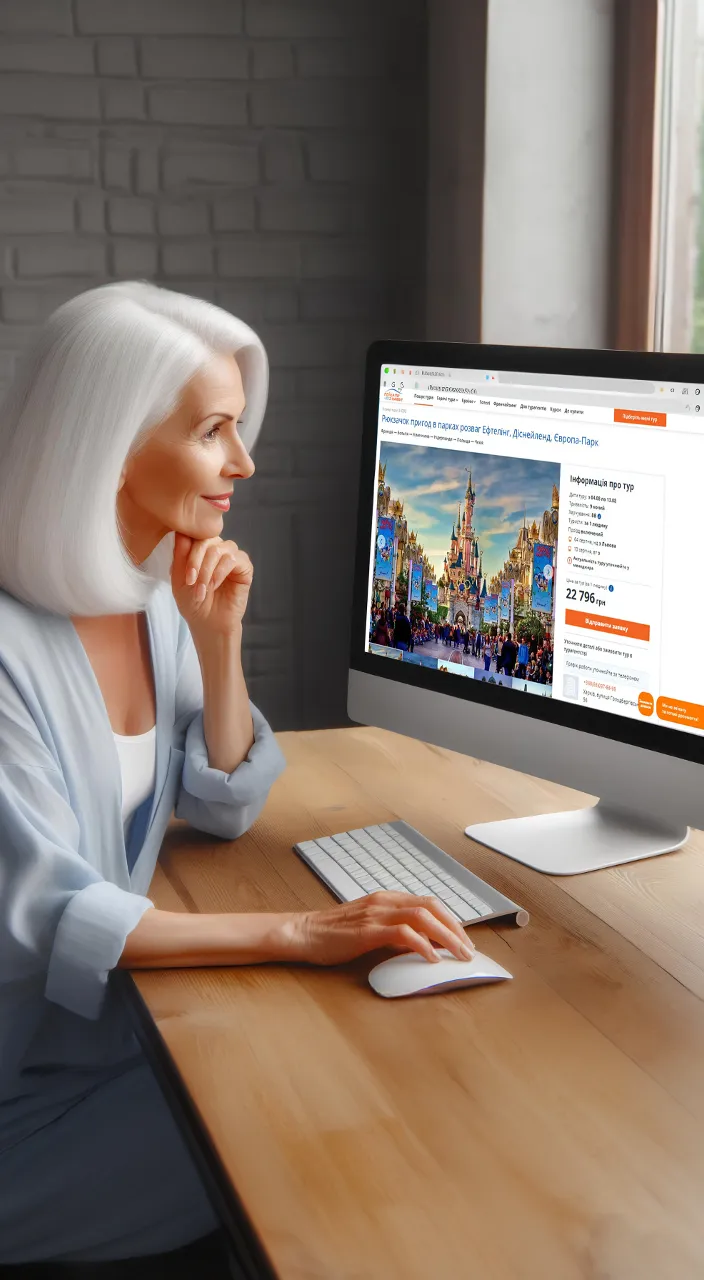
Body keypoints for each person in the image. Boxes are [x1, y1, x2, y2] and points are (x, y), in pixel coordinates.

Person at [0, 282, 473, 1275]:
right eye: (213, 430)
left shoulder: (145, 598)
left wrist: (218, 646)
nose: (243, 462)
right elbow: (55, 909)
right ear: (110, 441)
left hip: (91, 1038)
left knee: (327, 1075)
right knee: (310, 1143)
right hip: (21, 1091)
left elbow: (223, 802)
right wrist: (300, 931)